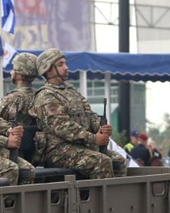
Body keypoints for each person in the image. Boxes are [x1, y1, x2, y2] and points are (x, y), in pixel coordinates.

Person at [29, 48, 126, 179]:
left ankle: (116, 197)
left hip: (81, 147)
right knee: (101, 162)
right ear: (48, 69)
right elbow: (63, 127)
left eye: (65, 63)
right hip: (58, 151)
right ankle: (97, 199)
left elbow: (89, 115)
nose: (66, 68)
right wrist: (94, 138)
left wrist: (101, 128)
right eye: (60, 64)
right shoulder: (46, 96)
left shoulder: (72, 91)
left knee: (119, 160)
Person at [0, 52, 39, 126]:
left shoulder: (13, 97)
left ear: (20, 76)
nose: (11, 72)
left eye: (13, 69)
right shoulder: (39, 95)